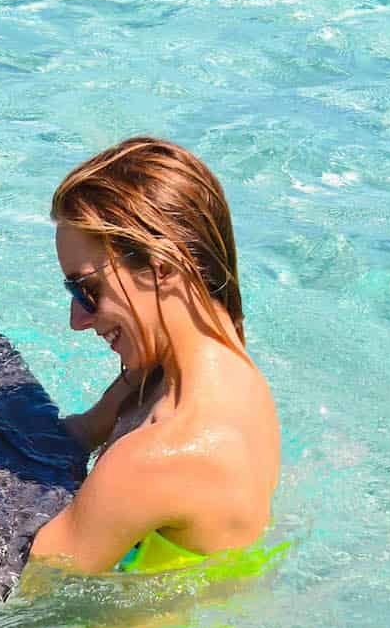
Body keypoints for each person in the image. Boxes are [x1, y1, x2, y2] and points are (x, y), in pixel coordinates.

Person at [29, 136, 280, 577]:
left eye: (86, 289)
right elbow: (77, 433)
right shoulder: (200, 376)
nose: (77, 320)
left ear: (164, 266)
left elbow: (20, 596)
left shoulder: (161, 456)